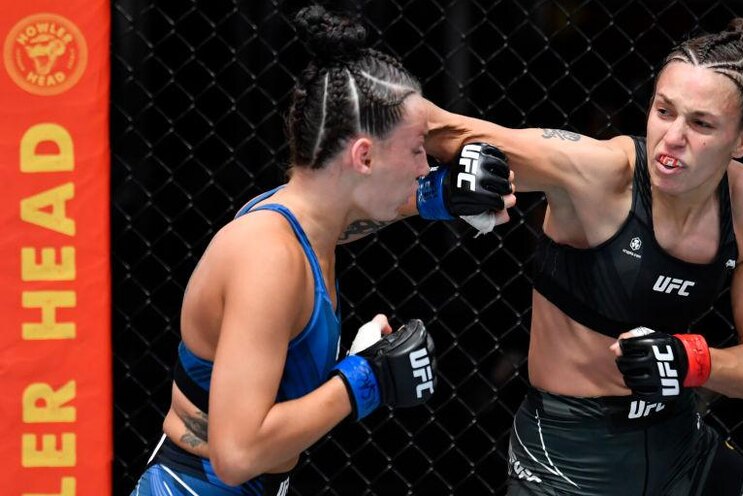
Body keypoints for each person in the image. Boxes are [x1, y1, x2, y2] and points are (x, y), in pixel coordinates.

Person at [130, 7, 514, 495]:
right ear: (364, 156)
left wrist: (437, 196)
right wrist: (365, 377)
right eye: (418, 148)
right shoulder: (268, 258)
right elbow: (236, 455)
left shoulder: (303, 224)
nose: (426, 165)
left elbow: (352, 215)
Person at [426, 18, 743, 495]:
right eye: (664, 111)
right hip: (568, 460)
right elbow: (440, 129)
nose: (673, 137)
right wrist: (437, 190)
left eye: (701, 124)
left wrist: (690, 361)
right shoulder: (600, 174)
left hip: (681, 446)